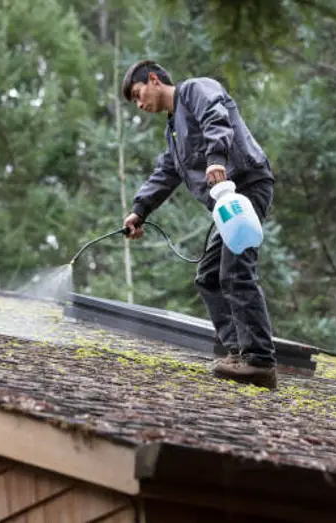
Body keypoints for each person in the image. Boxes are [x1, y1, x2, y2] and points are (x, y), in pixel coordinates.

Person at [120, 59, 279, 390]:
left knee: (236, 271)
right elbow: (166, 172)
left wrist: (216, 160)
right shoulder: (174, 132)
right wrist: (140, 210)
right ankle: (240, 353)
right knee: (209, 276)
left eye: (138, 94)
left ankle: (260, 360)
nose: (140, 104)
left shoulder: (195, 90)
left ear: (153, 79)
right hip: (226, 204)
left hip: (245, 185)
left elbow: (216, 118)